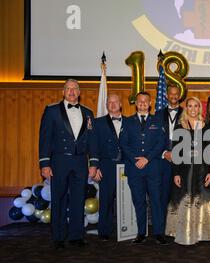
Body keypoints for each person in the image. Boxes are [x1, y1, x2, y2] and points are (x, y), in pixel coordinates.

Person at [38, 79, 98, 249]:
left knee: (78, 199)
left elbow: (92, 141)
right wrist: (45, 163)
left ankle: (76, 236)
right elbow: (45, 138)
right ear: (63, 92)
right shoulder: (52, 111)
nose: (71, 92)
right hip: (59, 161)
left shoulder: (88, 113)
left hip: (80, 162)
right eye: (68, 89)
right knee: (59, 199)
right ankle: (58, 236)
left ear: (79, 92)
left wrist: (93, 163)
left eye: (75, 89)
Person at [165, 97, 210, 245]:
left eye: (196, 106)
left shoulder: (207, 127)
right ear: (186, 108)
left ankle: (203, 233)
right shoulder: (179, 127)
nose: (193, 109)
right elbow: (176, 153)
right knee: (185, 198)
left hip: (202, 169)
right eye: (190, 106)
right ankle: (185, 233)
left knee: (203, 197)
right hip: (185, 169)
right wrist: (176, 172)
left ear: (199, 109)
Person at [119, 91, 169, 245]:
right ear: (136, 103)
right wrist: (136, 160)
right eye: (139, 101)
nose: (142, 103)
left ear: (150, 103)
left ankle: (159, 233)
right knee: (139, 201)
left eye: (145, 101)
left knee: (156, 200)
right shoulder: (127, 121)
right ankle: (141, 233)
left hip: (153, 167)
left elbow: (161, 143)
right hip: (135, 168)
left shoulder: (158, 120)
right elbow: (123, 143)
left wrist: (146, 158)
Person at [92, 93, 124, 241]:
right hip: (106, 166)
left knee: (127, 199)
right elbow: (93, 147)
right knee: (106, 199)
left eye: (115, 102)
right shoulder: (97, 123)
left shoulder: (130, 122)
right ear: (106, 105)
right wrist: (95, 166)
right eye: (109, 102)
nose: (112, 105)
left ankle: (128, 230)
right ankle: (104, 231)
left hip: (126, 167)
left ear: (120, 104)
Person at [156, 85, 183, 218]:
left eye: (176, 94)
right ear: (166, 95)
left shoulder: (186, 113)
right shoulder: (157, 114)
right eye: (171, 94)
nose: (173, 96)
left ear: (180, 95)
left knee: (180, 194)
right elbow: (154, 138)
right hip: (163, 159)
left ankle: (179, 226)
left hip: (182, 160)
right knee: (163, 194)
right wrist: (164, 153)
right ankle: (163, 226)